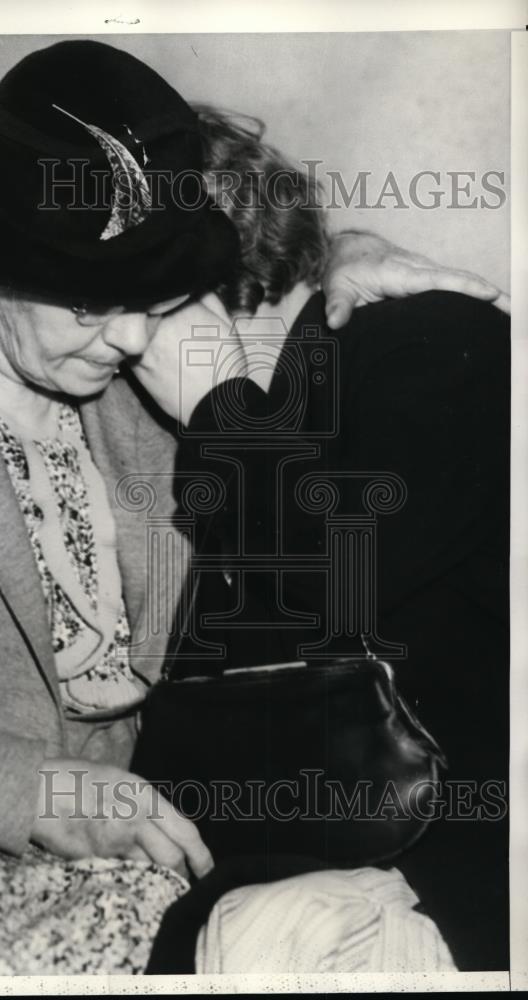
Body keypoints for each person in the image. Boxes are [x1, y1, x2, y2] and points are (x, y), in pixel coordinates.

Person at [0, 40, 504, 976]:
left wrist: (341, 277)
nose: (127, 338)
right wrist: (13, 787)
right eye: (90, 303)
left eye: (152, 303)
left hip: (154, 892)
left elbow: (279, 464)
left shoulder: (130, 374)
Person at [132, 105, 509, 972]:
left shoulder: (432, 339)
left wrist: (213, 404)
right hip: (341, 876)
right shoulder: (279, 409)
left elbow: (341, 567)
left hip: (463, 900)